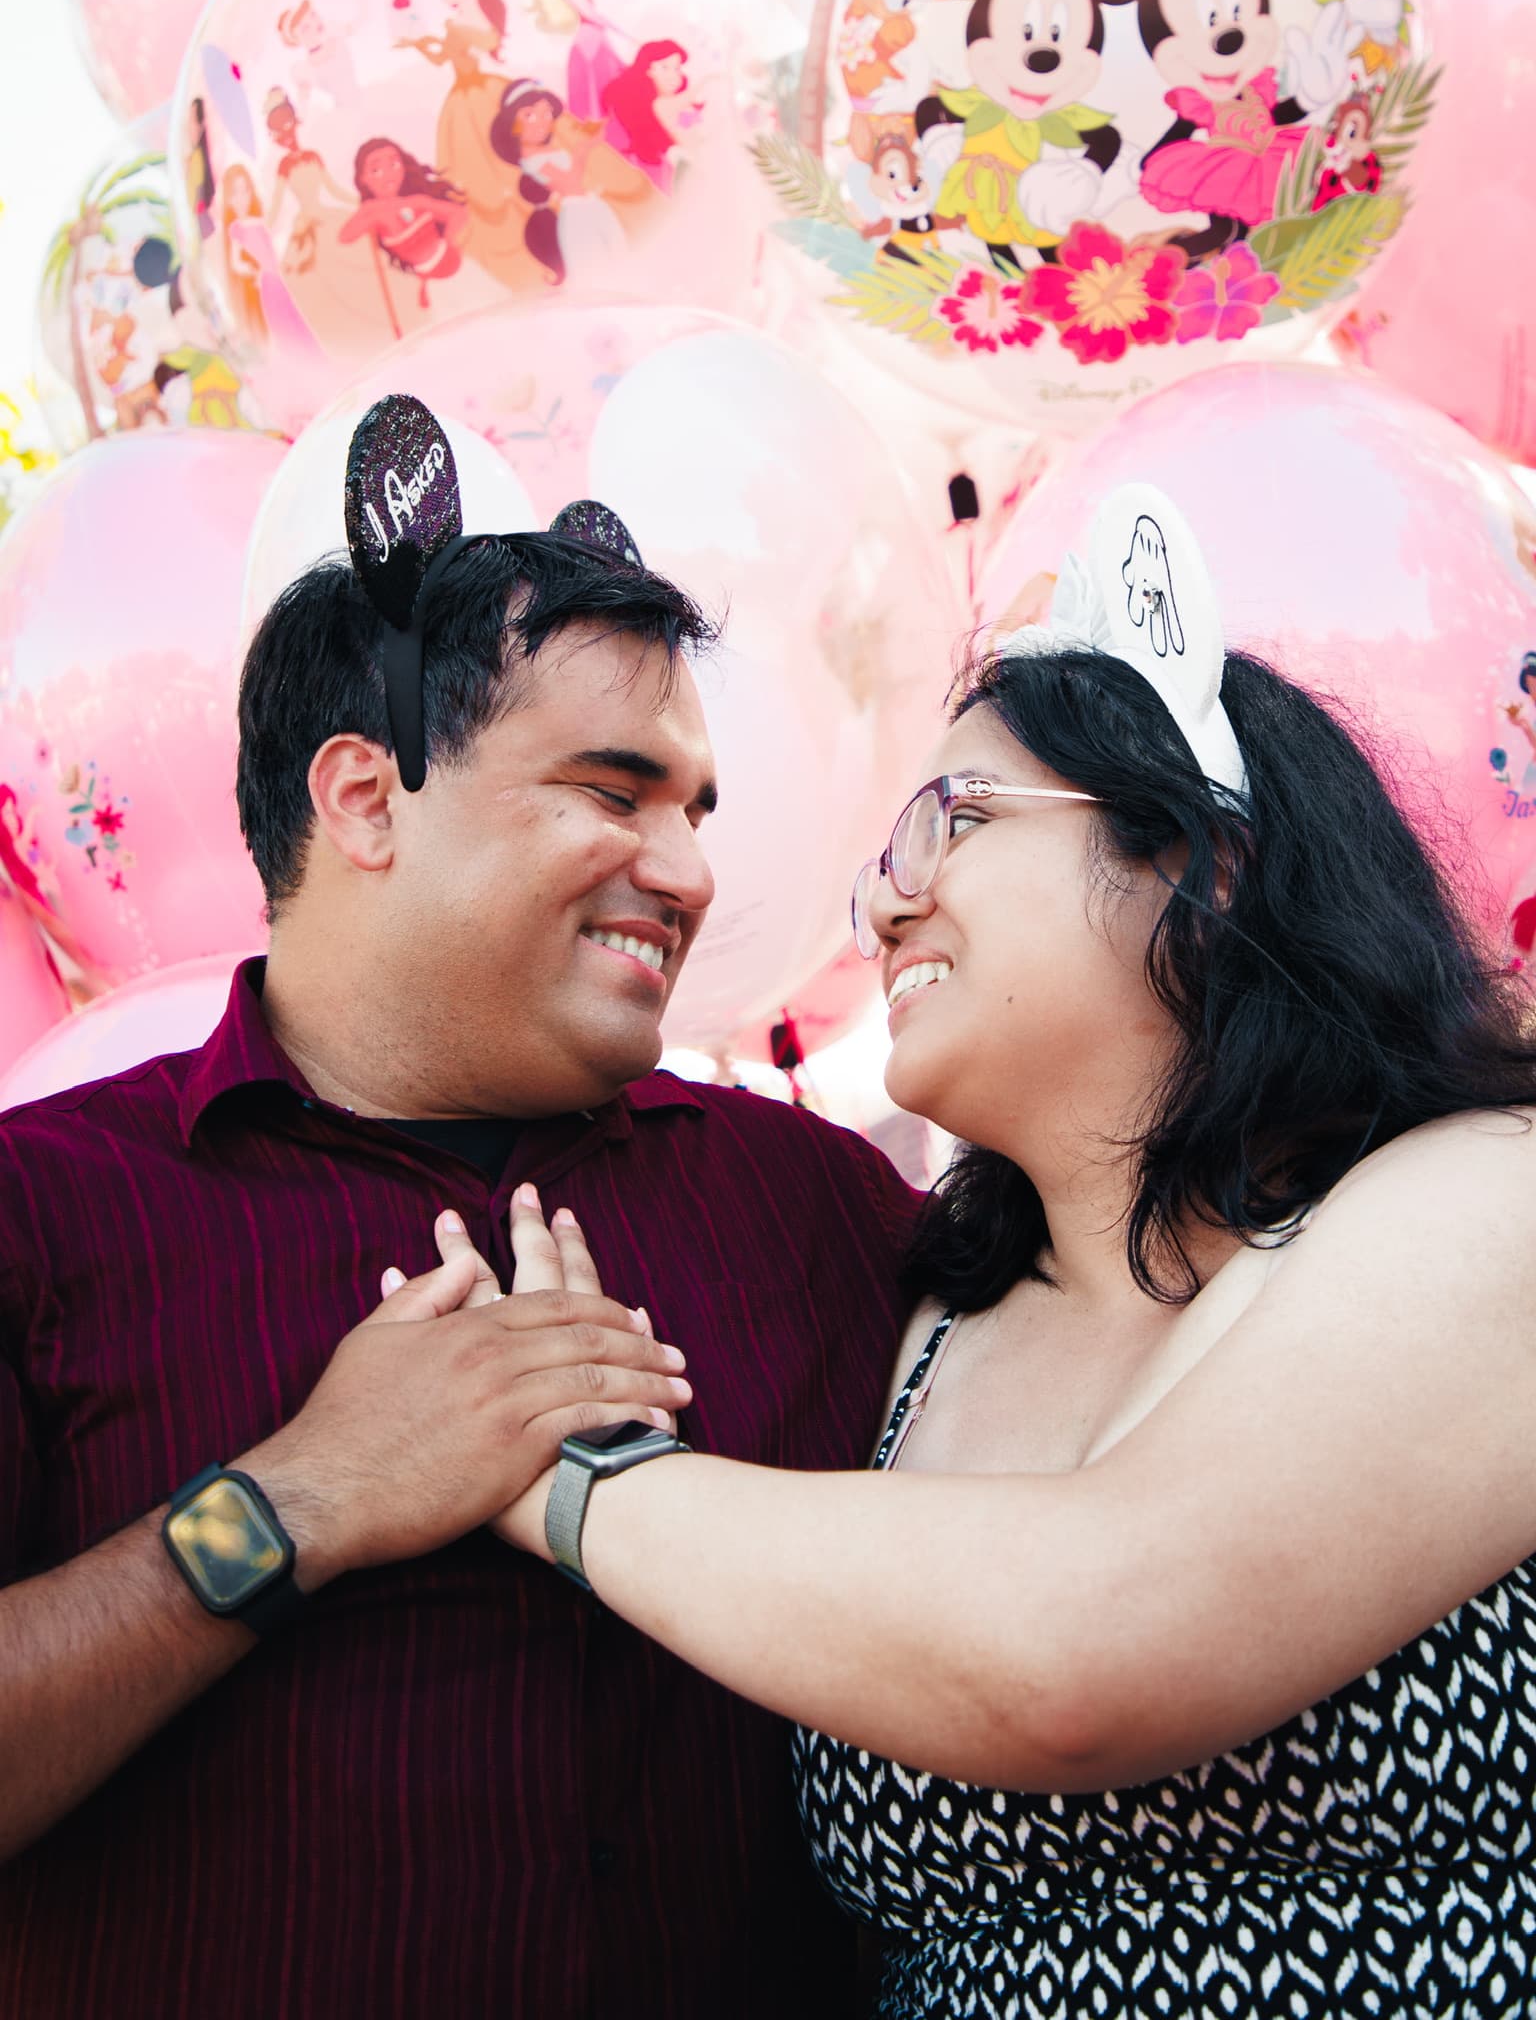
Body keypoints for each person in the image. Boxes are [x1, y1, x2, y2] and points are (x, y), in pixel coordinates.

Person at [475, 484, 1536, 2017]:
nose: (886, 902)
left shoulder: (1484, 1196)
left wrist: (549, 1470)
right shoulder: (916, 1332)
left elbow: (1086, 1649)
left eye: (953, 820)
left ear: (1195, 854)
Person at [0, 403, 919, 2020]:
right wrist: (294, 1505)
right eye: (615, 788)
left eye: (696, 807)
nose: (690, 869)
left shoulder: (827, 1211)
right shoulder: (43, 1215)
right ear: (363, 797)